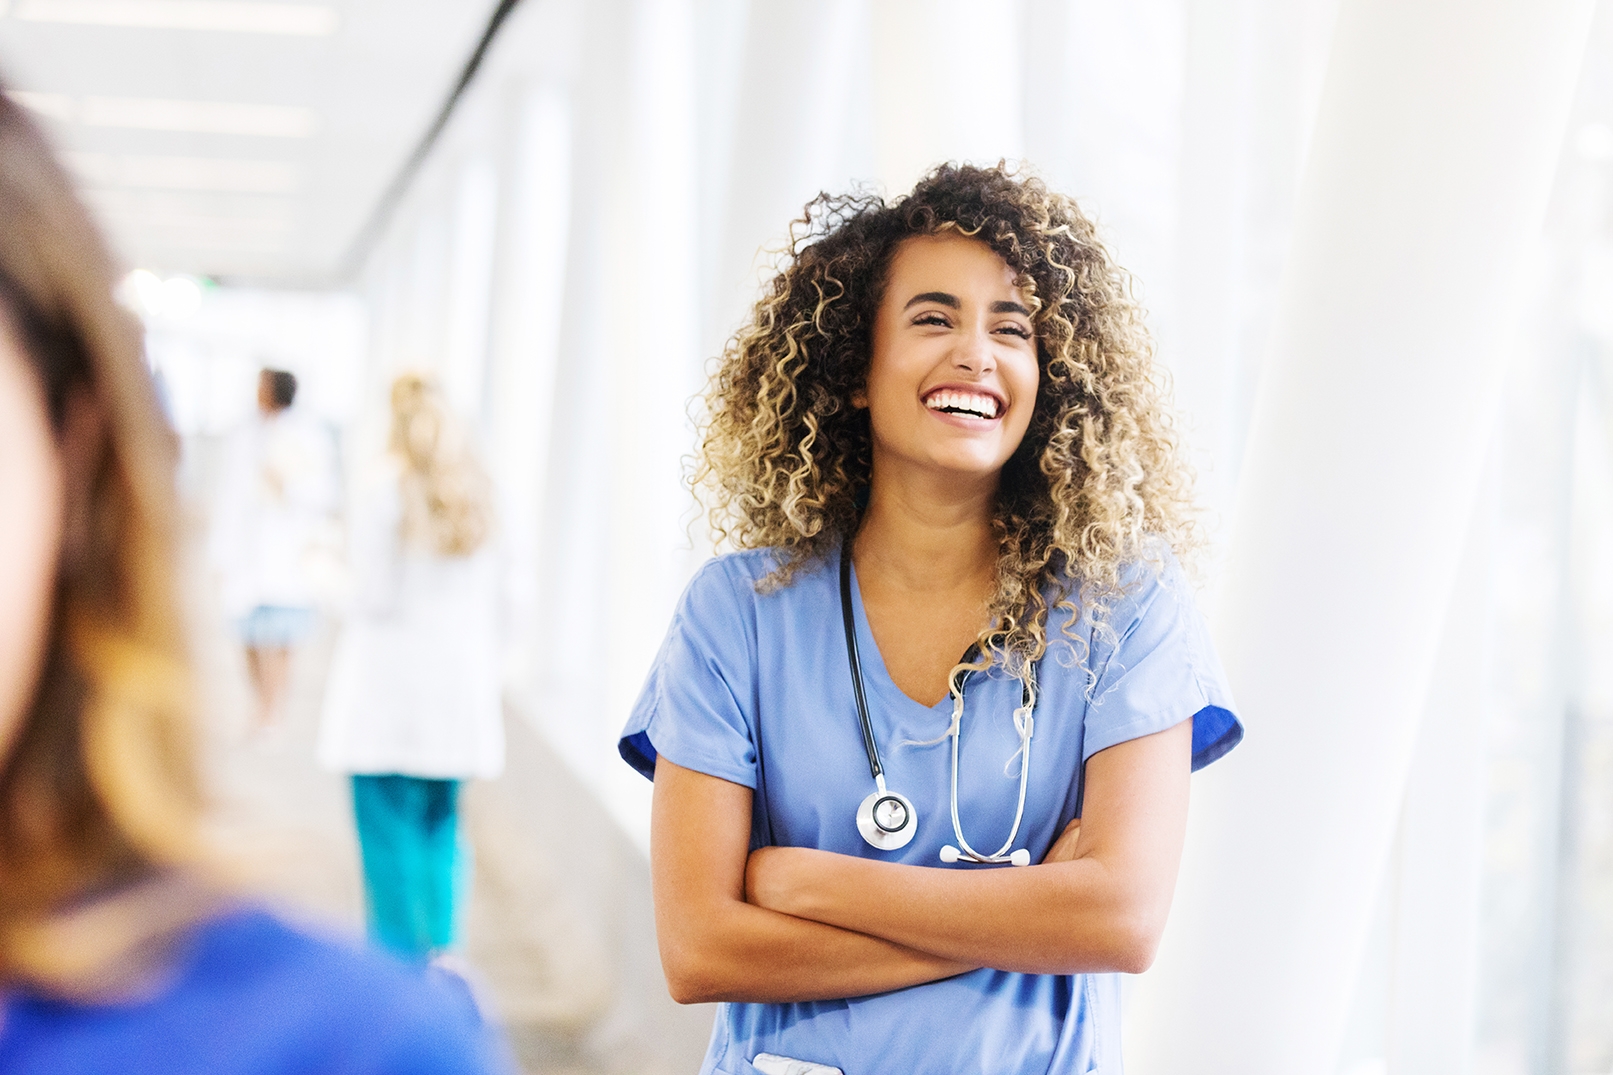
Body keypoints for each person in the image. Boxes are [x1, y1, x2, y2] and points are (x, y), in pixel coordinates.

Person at [618, 164, 1244, 1074]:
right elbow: (701, 949)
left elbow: (1120, 919)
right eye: (933, 318)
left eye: (1012, 328)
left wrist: (810, 883)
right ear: (854, 371)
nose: (977, 354)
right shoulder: (737, 614)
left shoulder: (1125, 606)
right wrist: (1028, 913)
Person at [0, 89, 508, 1074]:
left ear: (76, 461)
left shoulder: (337, 1049)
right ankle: (435, 949)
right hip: (448, 690)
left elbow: (363, 581)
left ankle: (411, 938)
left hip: (380, 677)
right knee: (435, 829)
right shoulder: (469, 497)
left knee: (390, 828)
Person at [318, 373, 503, 962]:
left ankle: (398, 978)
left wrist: (321, 570)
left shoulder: (383, 489)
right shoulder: (483, 493)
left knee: (387, 843)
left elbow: (371, 596)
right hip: (457, 696)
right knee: (440, 836)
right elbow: (511, 597)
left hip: (387, 699)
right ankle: (445, 966)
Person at [209, 364, 339, 729]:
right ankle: (259, 701)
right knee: (246, 635)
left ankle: (273, 709)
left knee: (282, 637)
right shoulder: (244, 433)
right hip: (245, 554)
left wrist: (288, 486)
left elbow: (323, 494)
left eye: (261, 386)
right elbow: (229, 496)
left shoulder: (309, 436)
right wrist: (219, 553)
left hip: (287, 556)